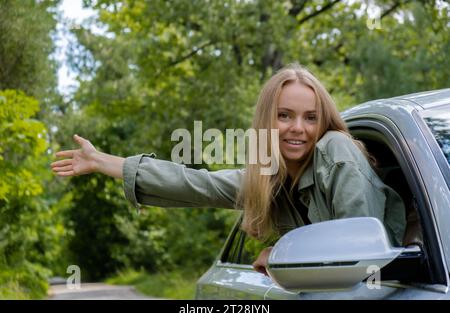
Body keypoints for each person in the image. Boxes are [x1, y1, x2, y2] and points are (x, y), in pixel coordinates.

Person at [51, 63, 406, 276]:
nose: (298, 128)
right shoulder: (269, 180)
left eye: (310, 117)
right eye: (284, 115)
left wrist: (286, 254)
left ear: (323, 120)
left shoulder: (337, 151)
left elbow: (361, 254)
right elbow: (196, 183)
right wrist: (102, 162)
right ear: (267, 121)